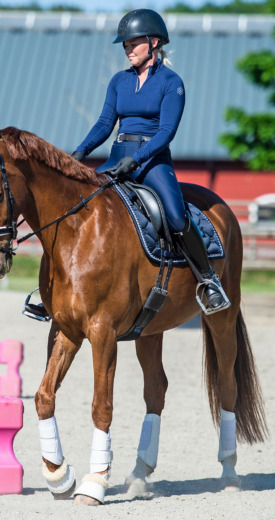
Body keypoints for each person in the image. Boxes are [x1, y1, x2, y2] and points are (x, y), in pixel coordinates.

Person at [71, 8, 229, 314]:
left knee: (176, 216)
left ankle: (209, 281)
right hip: (118, 155)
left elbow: (166, 132)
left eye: (133, 43)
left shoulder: (172, 82)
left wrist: (137, 160)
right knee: (78, 204)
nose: (127, 49)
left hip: (153, 160)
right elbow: (105, 124)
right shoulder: (118, 81)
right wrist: (79, 153)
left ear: (154, 42)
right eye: (125, 45)